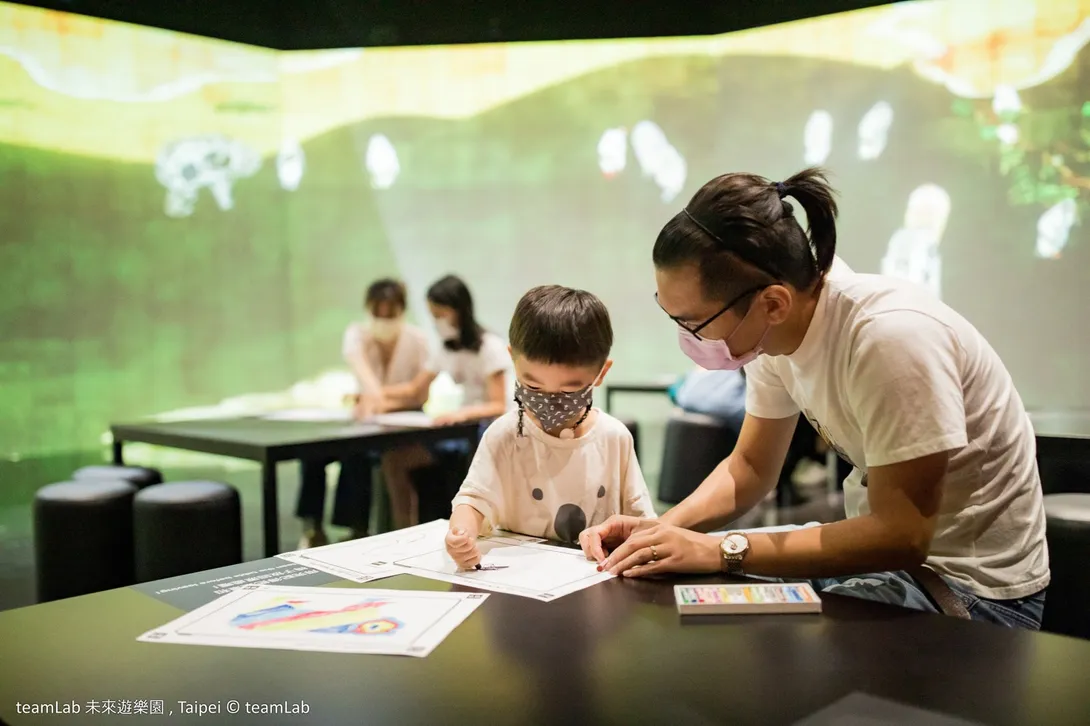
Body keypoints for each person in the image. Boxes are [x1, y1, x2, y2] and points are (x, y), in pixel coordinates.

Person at [580, 167, 1050, 628]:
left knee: (764, 638)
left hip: (972, 592)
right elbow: (749, 470)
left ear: (773, 303)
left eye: (695, 322)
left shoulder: (889, 338)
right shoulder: (771, 333)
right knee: (688, 591)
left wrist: (720, 548)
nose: (689, 336)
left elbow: (902, 535)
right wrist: (664, 532)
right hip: (887, 565)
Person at [445, 285, 656, 568]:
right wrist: (461, 534)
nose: (549, 401)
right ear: (513, 361)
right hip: (518, 582)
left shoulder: (614, 437)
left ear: (601, 373)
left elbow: (641, 522)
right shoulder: (504, 435)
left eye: (570, 390)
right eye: (532, 386)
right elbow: (473, 499)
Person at [295, 278, 429, 548]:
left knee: (357, 453)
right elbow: (365, 378)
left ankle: (357, 530)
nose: (383, 319)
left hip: (403, 423)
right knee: (313, 451)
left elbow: (419, 394)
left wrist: (381, 402)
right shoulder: (357, 334)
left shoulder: (417, 340)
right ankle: (313, 528)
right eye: (377, 312)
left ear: (401, 310)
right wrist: (373, 399)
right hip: (366, 418)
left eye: (390, 313)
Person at [379, 275, 512, 530]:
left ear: (459, 309)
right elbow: (415, 387)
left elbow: (498, 404)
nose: (437, 321)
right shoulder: (446, 348)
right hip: (459, 431)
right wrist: (377, 395)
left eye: (440, 314)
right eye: (433, 315)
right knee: (394, 459)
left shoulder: (489, 346)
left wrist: (463, 414)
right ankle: (402, 529)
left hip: (486, 430)